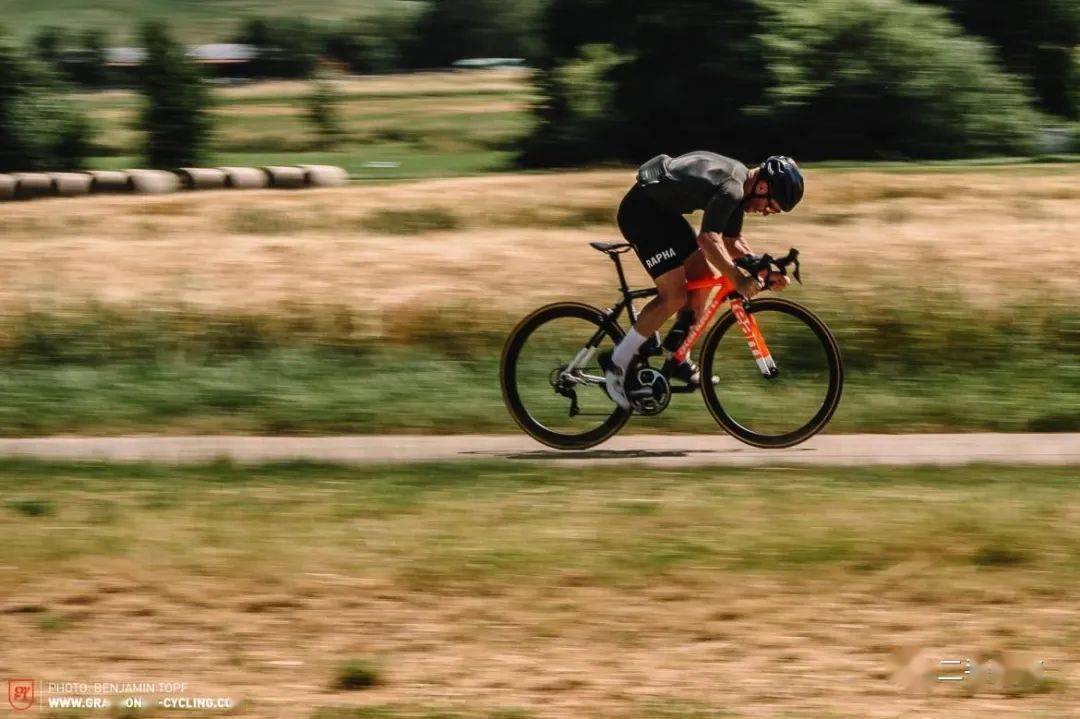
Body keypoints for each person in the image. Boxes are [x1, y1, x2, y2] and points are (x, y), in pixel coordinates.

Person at [600, 152, 805, 410]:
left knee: (705, 278)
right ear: (762, 187)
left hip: (664, 214)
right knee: (674, 295)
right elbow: (708, 240)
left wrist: (764, 270)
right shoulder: (732, 189)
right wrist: (739, 281)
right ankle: (616, 363)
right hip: (641, 213)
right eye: (771, 206)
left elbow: (731, 243)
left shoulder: (739, 187)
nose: (765, 213)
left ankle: (678, 355)